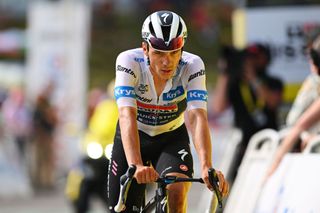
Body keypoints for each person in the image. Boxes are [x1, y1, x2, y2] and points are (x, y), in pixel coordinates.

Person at [107, 10, 229, 213]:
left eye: (174, 52)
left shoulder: (193, 65)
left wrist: (207, 165)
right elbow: (126, 114)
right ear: (145, 49)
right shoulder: (128, 62)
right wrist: (136, 164)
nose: (167, 62)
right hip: (134, 136)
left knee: (177, 191)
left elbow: (197, 116)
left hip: (171, 138)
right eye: (159, 53)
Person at [211, 44, 283, 181]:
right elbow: (218, 107)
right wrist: (225, 73)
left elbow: (272, 102)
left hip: (269, 144)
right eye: (247, 58)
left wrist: (253, 79)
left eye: (254, 58)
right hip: (244, 146)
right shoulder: (235, 84)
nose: (249, 61)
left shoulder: (273, 82)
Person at [266, 34, 320, 178]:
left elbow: (299, 126)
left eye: (312, 56)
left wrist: (270, 173)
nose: (310, 61)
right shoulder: (312, 82)